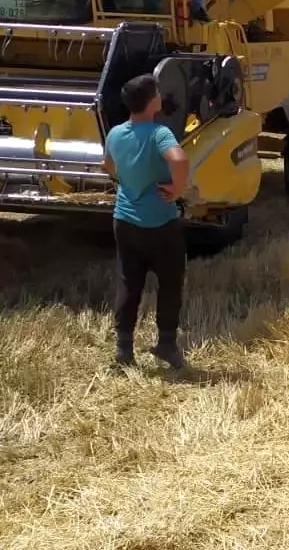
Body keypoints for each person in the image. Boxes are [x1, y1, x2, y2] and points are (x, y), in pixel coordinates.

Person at [103, 73, 190, 369]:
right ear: (152, 101)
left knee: (129, 282)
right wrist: (177, 189)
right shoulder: (158, 133)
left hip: (124, 220)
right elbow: (179, 159)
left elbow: (108, 165)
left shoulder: (115, 133)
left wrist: (128, 181)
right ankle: (166, 343)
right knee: (169, 283)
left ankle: (124, 348)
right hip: (160, 223)